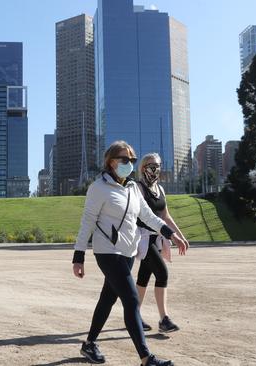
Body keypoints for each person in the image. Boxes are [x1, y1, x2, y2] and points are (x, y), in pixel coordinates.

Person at [72, 141, 187, 366]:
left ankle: (89, 344)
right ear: (111, 161)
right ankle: (146, 358)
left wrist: (171, 234)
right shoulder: (99, 188)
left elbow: (148, 216)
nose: (129, 164)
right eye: (124, 160)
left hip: (127, 252)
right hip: (107, 251)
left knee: (108, 298)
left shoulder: (133, 188)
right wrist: (78, 256)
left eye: (132, 161)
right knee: (131, 299)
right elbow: (87, 222)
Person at [135, 153, 190, 334]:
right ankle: (164, 319)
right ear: (143, 168)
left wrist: (179, 236)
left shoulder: (160, 189)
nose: (155, 168)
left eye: (158, 165)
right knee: (162, 274)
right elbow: (145, 217)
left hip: (158, 237)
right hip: (144, 239)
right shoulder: (138, 188)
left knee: (143, 278)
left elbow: (165, 216)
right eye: (151, 165)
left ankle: (133, 315)